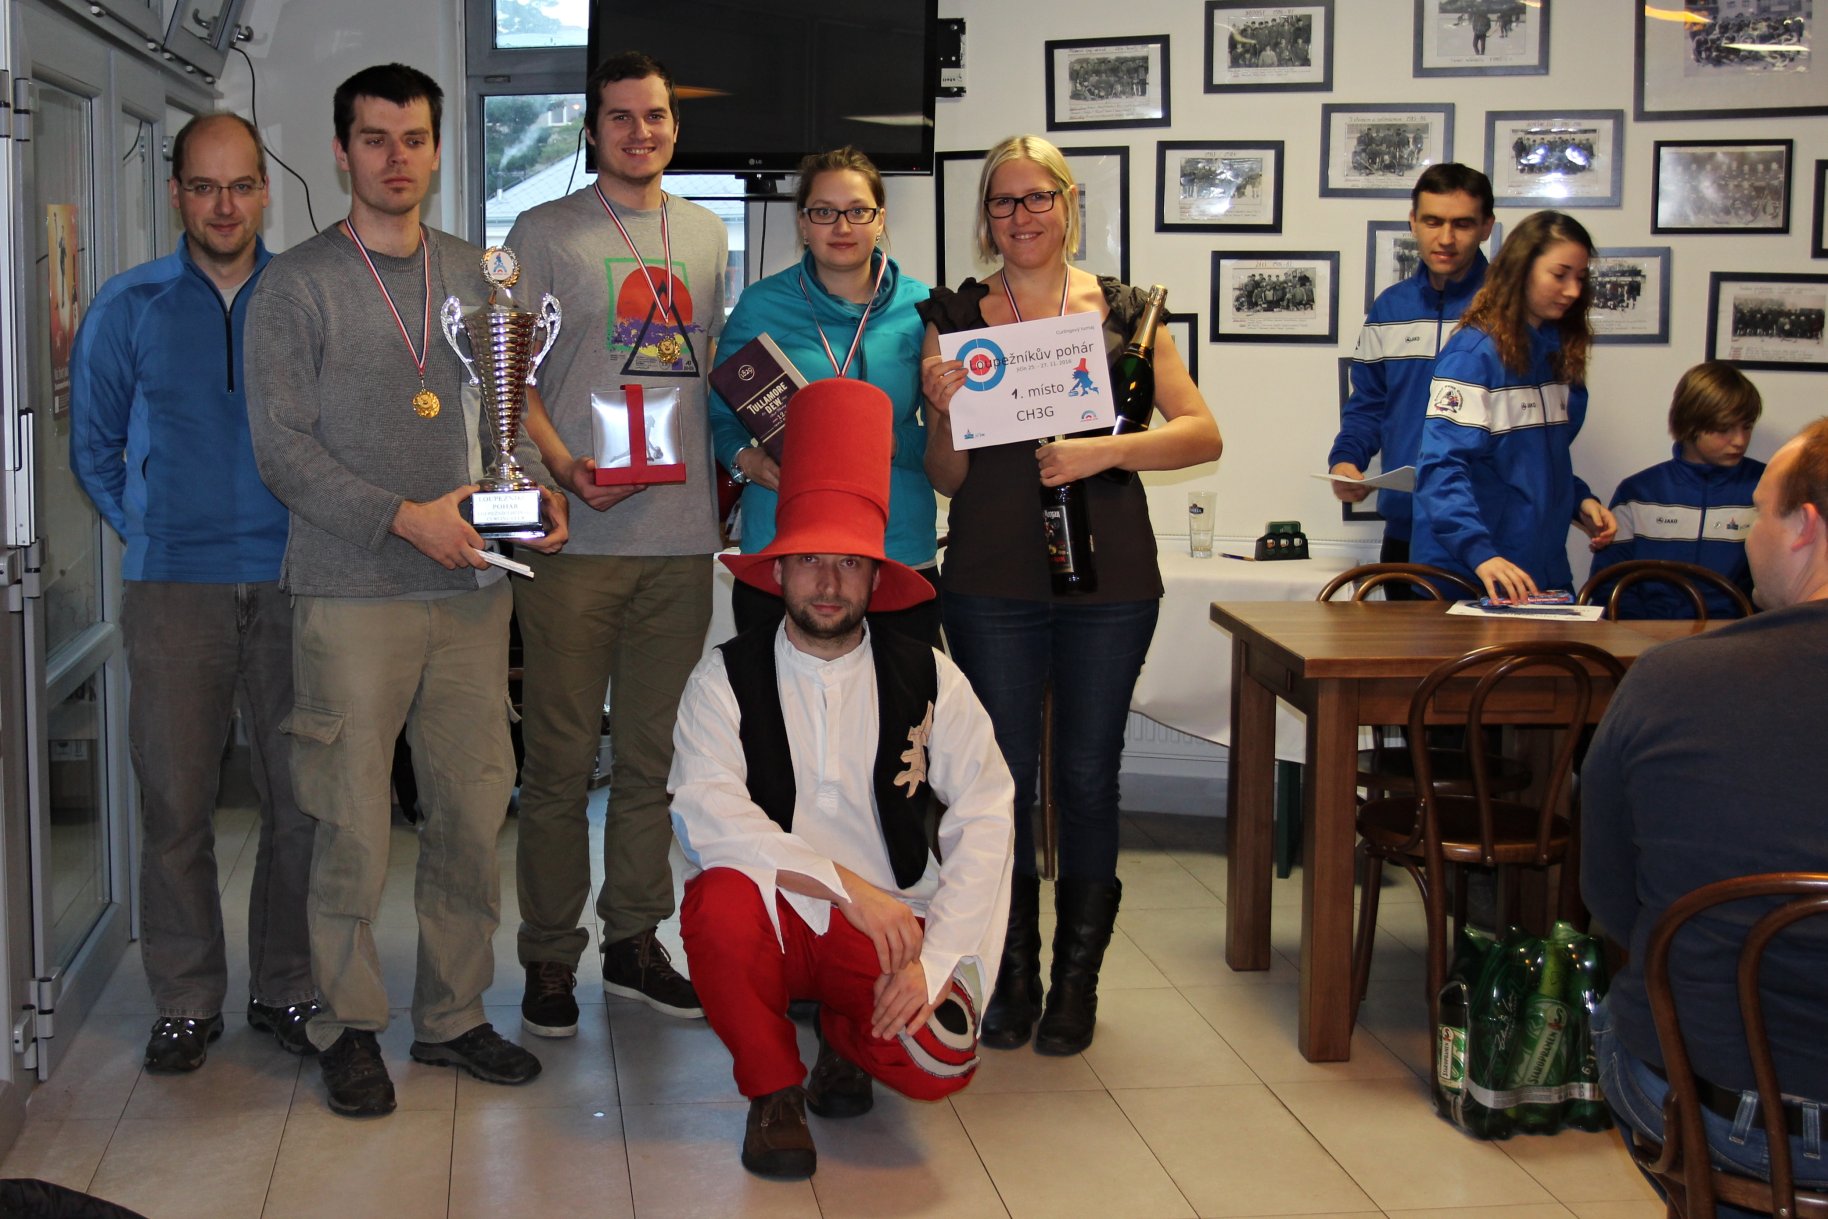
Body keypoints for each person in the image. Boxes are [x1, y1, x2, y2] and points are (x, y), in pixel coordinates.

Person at [245, 63, 564, 1117]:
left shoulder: (479, 273)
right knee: (350, 825)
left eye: (415, 138)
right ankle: (344, 1025)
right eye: (375, 139)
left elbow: (506, 412)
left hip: (472, 594)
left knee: (472, 811)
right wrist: (403, 517)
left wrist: (538, 492)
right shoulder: (298, 286)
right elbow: (282, 451)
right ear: (342, 151)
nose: (397, 157)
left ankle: (454, 1015)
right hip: (350, 593)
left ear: (436, 150)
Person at [918, 135, 1222, 1056]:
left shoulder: (1127, 313)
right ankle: (1010, 975)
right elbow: (947, 476)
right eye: (1003, 201)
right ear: (986, 217)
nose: (1021, 216)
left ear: (1067, 203)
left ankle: (1076, 984)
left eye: (1037, 197)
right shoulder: (956, 316)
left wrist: (1104, 451)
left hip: (1111, 579)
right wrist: (941, 411)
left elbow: (1201, 433)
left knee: (1088, 777)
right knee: (1001, 780)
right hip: (991, 576)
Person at [670, 378, 1014, 1180]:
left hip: (890, 921)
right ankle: (773, 1091)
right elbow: (706, 813)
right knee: (716, 904)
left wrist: (936, 961)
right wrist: (845, 886)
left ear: (876, 578)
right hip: (776, 913)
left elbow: (988, 810)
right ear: (778, 571)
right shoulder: (724, 678)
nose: (828, 581)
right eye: (809, 560)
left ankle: (844, 1038)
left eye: (849, 562)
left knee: (941, 1059)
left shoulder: (929, 675)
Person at [68, 114, 317, 1073]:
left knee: (299, 804)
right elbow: (93, 447)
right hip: (173, 590)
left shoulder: (299, 298)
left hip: (296, 583)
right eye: (205, 186)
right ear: (176, 193)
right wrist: (154, 526)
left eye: (241, 185)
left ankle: (285, 985)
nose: (224, 205)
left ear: (265, 192)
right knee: (176, 804)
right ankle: (185, 998)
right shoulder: (127, 304)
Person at [506, 51, 728, 1039]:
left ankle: (636, 939)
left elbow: (706, 378)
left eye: (657, 115)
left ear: (675, 125)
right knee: (559, 762)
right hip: (574, 539)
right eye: (622, 117)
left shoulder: (707, 235)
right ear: (591, 130)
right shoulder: (543, 232)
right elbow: (503, 376)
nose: (642, 132)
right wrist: (561, 467)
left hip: (678, 543)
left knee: (651, 759)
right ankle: (550, 953)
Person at [1582, 418, 1828, 1216]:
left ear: (1805, 526)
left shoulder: (1670, 681)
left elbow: (1611, 896)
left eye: (1759, 512)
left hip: (1716, 1104)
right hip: (1731, 1094)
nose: (1750, 537)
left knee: (1629, 1009)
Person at [708, 146, 939, 645]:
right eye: (824, 212)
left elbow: (948, 437)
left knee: (903, 695)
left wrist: (894, 444)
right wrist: (747, 461)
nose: (842, 226)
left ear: (880, 219)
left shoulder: (924, 308)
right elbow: (719, 416)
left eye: (858, 211)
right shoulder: (760, 305)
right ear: (803, 223)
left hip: (893, 548)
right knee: (772, 694)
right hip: (784, 547)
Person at [1410, 210, 1617, 601]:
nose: (1573, 291)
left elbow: (1536, 464)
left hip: (1539, 569)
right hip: (1472, 572)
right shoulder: (1473, 356)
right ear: (1521, 271)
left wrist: (1580, 501)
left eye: (1580, 278)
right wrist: (1480, 552)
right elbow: (1441, 469)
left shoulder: (1558, 357)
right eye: (1560, 275)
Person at [1327, 164, 1495, 589]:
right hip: (1405, 530)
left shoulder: (1511, 309)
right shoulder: (1390, 308)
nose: (1446, 238)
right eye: (1433, 221)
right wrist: (1347, 461)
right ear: (1413, 223)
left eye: (1462, 224)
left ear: (1486, 227)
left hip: (1491, 532)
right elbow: (1369, 405)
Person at [1587, 361, 1764, 618]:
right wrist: (1645, 631)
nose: (1740, 440)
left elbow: (1782, 583)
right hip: (1649, 633)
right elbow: (1608, 584)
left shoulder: (1768, 489)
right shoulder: (1638, 494)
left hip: (1735, 635)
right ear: (1690, 424)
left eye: (1747, 426)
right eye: (1724, 429)